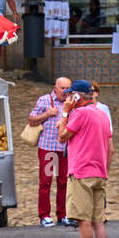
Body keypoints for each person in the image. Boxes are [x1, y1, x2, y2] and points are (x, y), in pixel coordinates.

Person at [58, 79, 114, 238]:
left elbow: (62, 136)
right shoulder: (102, 115)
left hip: (81, 172)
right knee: (99, 220)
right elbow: (111, 148)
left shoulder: (80, 113)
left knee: (84, 221)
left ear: (77, 96)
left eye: (70, 95)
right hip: (99, 172)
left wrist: (65, 112)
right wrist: (105, 171)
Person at [28, 76, 73, 227]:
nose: (66, 91)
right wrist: (47, 114)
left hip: (64, 150)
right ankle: (44, 215)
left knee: (63, 182)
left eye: (68, 88)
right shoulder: (44, 100)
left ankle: (63, 214)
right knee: (46, 182)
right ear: (55, 88)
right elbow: (32, 120)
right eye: (63, 88)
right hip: (48, 149)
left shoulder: (72, 102)